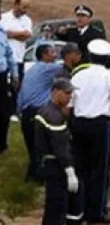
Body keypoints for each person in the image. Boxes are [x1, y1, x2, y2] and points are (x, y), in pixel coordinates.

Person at [68, 46, 110, 223]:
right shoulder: (109, 77)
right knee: (100, 169)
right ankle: (96, 212)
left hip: (79, 124)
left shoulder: (78, 76)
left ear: (89, 56)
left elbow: (69, 104)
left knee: (81, 168)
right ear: (107, 58)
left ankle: (77, 210)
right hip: (100, 126)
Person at [35, 78, 80, 225]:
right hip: (55, 166)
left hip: (48, 163)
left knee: (53, 207)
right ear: (55, 92)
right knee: (57, 206)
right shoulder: (53, 116)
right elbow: (60, 147)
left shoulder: (45, 110)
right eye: (67, 93)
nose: (70, 97)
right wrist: (69, 170)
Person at [17, 43, 63, 182]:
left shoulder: (32, 69)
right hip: (38, 112)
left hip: (26, 112)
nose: (56, 55)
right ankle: (42, 176)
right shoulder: (47, 68)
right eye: (53, 52)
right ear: (44, 55)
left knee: (33, 148)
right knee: (44, 146)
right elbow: (68, 67)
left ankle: (32, 175)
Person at [0, 24, 19, 155]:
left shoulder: (1, 32)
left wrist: (15, 74)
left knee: (3, 112)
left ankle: (1, 144)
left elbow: (10, 55)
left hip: (1, 76)